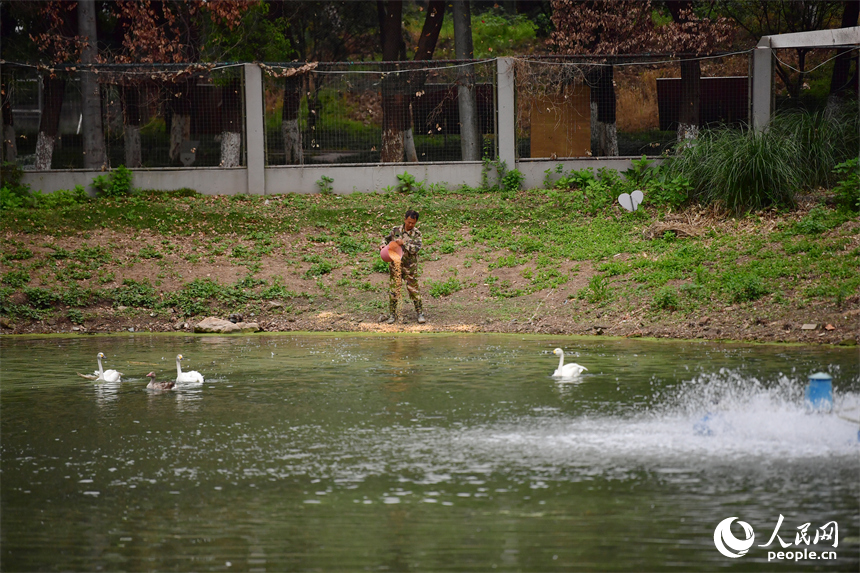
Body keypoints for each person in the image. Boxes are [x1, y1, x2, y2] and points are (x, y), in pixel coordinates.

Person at [380, 209, 425, 324]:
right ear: (405, 219)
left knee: (413, 290)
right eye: (408, 222)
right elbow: (385, 239)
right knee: (394, 290)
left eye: (413, 223)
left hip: (410, 267)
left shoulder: (417, 234)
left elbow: (416, 249)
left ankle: (420, 313)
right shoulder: (396, 230)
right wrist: (382, 245)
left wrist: (404, 243)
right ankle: (392, 315)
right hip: (396, 266)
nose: (410, 225)